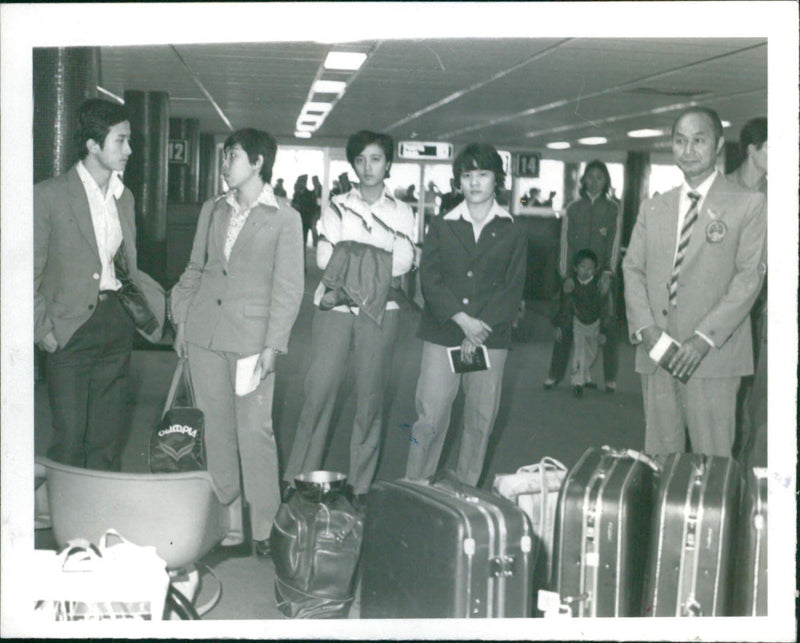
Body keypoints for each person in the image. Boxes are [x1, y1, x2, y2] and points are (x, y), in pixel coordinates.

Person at [171, 128, 304, 558]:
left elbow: (289, 288)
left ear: (258, 162)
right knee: (216, 431)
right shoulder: (213, 209)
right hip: (205, 335)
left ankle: (267, 529)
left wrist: (273, 346)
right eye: (225, 156)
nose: (225, 163)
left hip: (252, 343)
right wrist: (181, 322)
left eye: (233, 156)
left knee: (254, 432)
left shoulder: (285, 217)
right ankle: (227, 525)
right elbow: (195, 270)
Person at [622, 107, 767, 457]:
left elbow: (748, 279)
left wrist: (702, 340)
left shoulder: (748, 204)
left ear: (718, 144)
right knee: (659, 458)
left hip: (712, 355)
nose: (688, 150)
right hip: (657, 351)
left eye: (699, 141)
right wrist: (647, 329)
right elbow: (632, 269)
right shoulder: (653, 207)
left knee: (712, 462)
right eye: (680, 141)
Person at [283, 130, 417, 508]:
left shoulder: (402, 211)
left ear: (387, 163)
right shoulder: (337, 205)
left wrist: (351, 254)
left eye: (375, 159)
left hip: (381, 315)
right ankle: (298, 476)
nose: (368, 167)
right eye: (360, 160)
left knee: (370, 400)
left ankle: (360, 485)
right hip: (335, 311)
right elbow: (325, 257)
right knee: (318, 391)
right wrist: (376, 260)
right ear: (353, 164)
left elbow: (406, 262)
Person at [34, 98, 165, 471]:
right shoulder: (48, 196)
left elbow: (125, 267)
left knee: (106, 438)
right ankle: (66, 524)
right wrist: (43, 330)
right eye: (120, 141)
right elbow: (24, 273)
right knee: (70, 436)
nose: (130, 150)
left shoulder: (125, 199)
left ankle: (98, 522)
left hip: (115, 323)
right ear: (93, 145)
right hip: (69, 329)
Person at [405, 143, 526, 486]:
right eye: (467, 175)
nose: (474, 182)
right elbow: (429, 279)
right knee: (428, 418)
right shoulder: (442, 225)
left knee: (479, 420)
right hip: (444, 333)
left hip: (491, 337)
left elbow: (512, 287)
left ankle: (465, 493)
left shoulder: (513, 229)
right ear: (458, 181)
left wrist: (479, 330)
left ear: (496, 180)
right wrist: (463, 321)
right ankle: (415, 487)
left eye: (483, 174)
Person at [544, 160, 622, 393]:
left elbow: (614, 243)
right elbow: (565, 244)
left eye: (600, 177)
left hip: (602, 277)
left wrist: (608, 273)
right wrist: (566, 275)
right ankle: (555, 374)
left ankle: (609, 378)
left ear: (606, 181)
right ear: (584, 180)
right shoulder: (573, 208)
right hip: (574, 275)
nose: (595, 181)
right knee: (566, 324)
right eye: (591, 176)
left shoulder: (613, 209)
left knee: (607, 326)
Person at [728, 117, 768, 462]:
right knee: (726, 397)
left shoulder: (779, 196)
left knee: (756, 400)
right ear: (753, 150)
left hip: (762, 309)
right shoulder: (723, 190)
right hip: (725, 310)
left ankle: (744, 472)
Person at [550, 249, 612, 398]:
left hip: (595, 323)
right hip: (578, 323)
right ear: (575, 268)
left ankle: (584, 374)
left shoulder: (600, 286)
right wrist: (559, 326)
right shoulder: (570, 285)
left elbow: (606, 309)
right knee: (580, 352)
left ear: (596, 270)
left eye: (591, 268)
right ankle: (577, 383)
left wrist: (603, 331)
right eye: (583, 267)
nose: (586, 271)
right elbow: (563, 306)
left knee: (592, 353)